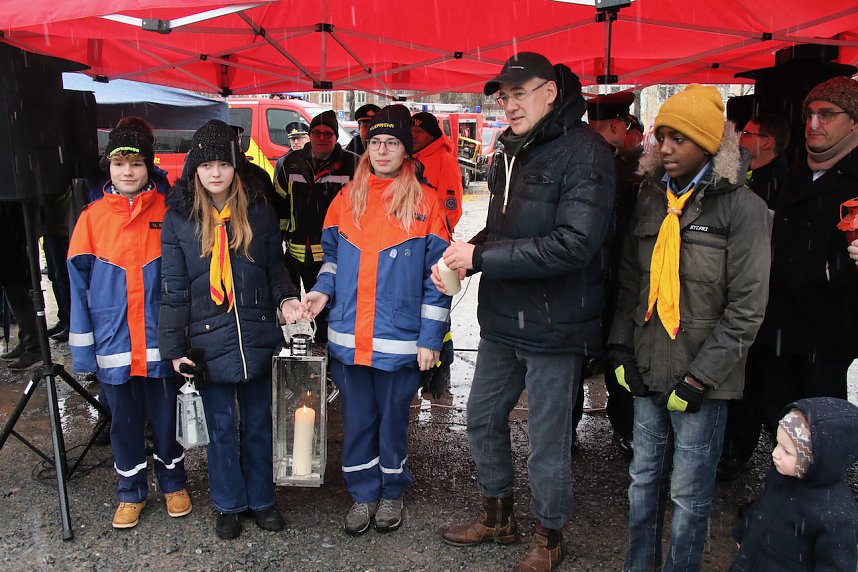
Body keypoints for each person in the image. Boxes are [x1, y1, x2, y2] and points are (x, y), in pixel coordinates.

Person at [437, 53, 616, 572]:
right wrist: (464, 257)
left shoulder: (586, 154)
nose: (509, 104)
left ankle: (549, 536)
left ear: (551, 92)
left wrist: (482, 257)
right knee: (481, 418)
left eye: (520, 93)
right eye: (503, 95)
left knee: (547, 441)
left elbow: (574, 245)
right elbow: (504, 228)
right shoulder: (508, 150)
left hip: (557, 323)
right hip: (503, 317)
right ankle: (498, 517)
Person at [606, 84, 771, 572]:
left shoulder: (744, 210)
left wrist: (702, 378)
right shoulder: (652, 199)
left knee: (689, 495)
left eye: (680, 138)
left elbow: (746, 308)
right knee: (642, 484)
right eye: (661, 136)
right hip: (647, 366)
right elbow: (632, 284)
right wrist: (618, 347)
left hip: (702, 380)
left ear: (708, 144)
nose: (667, 148)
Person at [301, 104, 450, 535]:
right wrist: (320, 293)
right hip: (349, 338)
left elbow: (438, 281)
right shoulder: (346, 200)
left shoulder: (426, 202)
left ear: (406, 149)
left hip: (400, 342)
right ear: (367, 147)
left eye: (393, 143)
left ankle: (392, 493)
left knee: (392, 421)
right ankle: (363, 493)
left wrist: (430, 339)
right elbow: (330, 262)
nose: (383, 150)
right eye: (377, 142)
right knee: (359, 421)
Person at [158, 119, 303, 540]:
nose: (216, 173)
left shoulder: (257, 210)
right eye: (207, 165)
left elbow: (275, 266)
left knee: (259, 422)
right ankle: (229, 503)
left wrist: (286, 298)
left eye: (223, 163)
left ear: (235, 167)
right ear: (195, 170)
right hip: (206, 340)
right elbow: (173, 288)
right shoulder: (179, 219)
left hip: (256, 333)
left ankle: (262, 500)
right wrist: (174, 346)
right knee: (221, 426)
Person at [67, 126, 190, 529]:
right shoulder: (92, 217)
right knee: (123, 424)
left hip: (160, 344)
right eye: (119, 164)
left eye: (136, 163)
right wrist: (84, 351)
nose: (128, 171)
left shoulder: (170, 210)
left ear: (148, 164)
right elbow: (77, 284)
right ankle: (130, 491)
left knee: (167, 418)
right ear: (109, 167)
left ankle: (173, 484)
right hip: (115, 343)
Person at [751, 76, 858, 435]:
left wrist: (829, 272)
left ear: (853, 121)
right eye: (809, 114)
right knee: (779, 415)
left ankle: (820, 491)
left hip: (829, 326)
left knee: (820, 423)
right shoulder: (795, 172)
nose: (814, 124)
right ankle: (786, 489)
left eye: (827, 114)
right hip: (780, 320)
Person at [717, 111, 792, 481]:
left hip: (768, 299)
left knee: (757, 381)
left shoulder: (782, 182)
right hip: (745, 294)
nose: (742, 138)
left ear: (767, 142)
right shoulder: (746, 176)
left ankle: (740, 450)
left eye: (748, 133)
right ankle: (735, 445)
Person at [730, 397, 858, 571]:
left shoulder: (837, 514)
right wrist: (743, 532)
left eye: (787, 451)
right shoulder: (779, 476)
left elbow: (836, 566)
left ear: (818, 460)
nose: (775, 454)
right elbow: (761, 508)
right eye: (778, 444)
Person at [580, 90, 639, 457]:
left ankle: (565, 435)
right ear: (618, 124)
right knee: (619, 357)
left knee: (574, 361)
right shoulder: (614, 167)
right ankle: (625, 429)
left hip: (582, 285)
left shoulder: (577, 159)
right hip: (611, 281)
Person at [274, 110, 359, 343]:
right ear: (310, 136)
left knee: (327, 305)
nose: (322, 137)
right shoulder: (290, 163)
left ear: (336, 137)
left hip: (333, 253)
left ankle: (327, 349)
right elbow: (280, 203)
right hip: (295, 249)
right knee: (290, 305)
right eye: (317, 133)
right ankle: (299, 349)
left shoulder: (352, 164)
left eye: (328, 133)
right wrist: (277, 239)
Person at [411, 111, 463, 229]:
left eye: (419, 131)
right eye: (411, 131)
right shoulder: (406, 157)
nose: (413, 135)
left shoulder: (445, 161)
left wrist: (434, 237)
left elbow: (452, 210)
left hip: (430, 238)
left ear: (432, 135)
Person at [737, 112, 790, 209]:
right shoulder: (742, 172)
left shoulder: (780, 187)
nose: (739, 138)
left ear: (767, 143)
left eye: (746, 134)